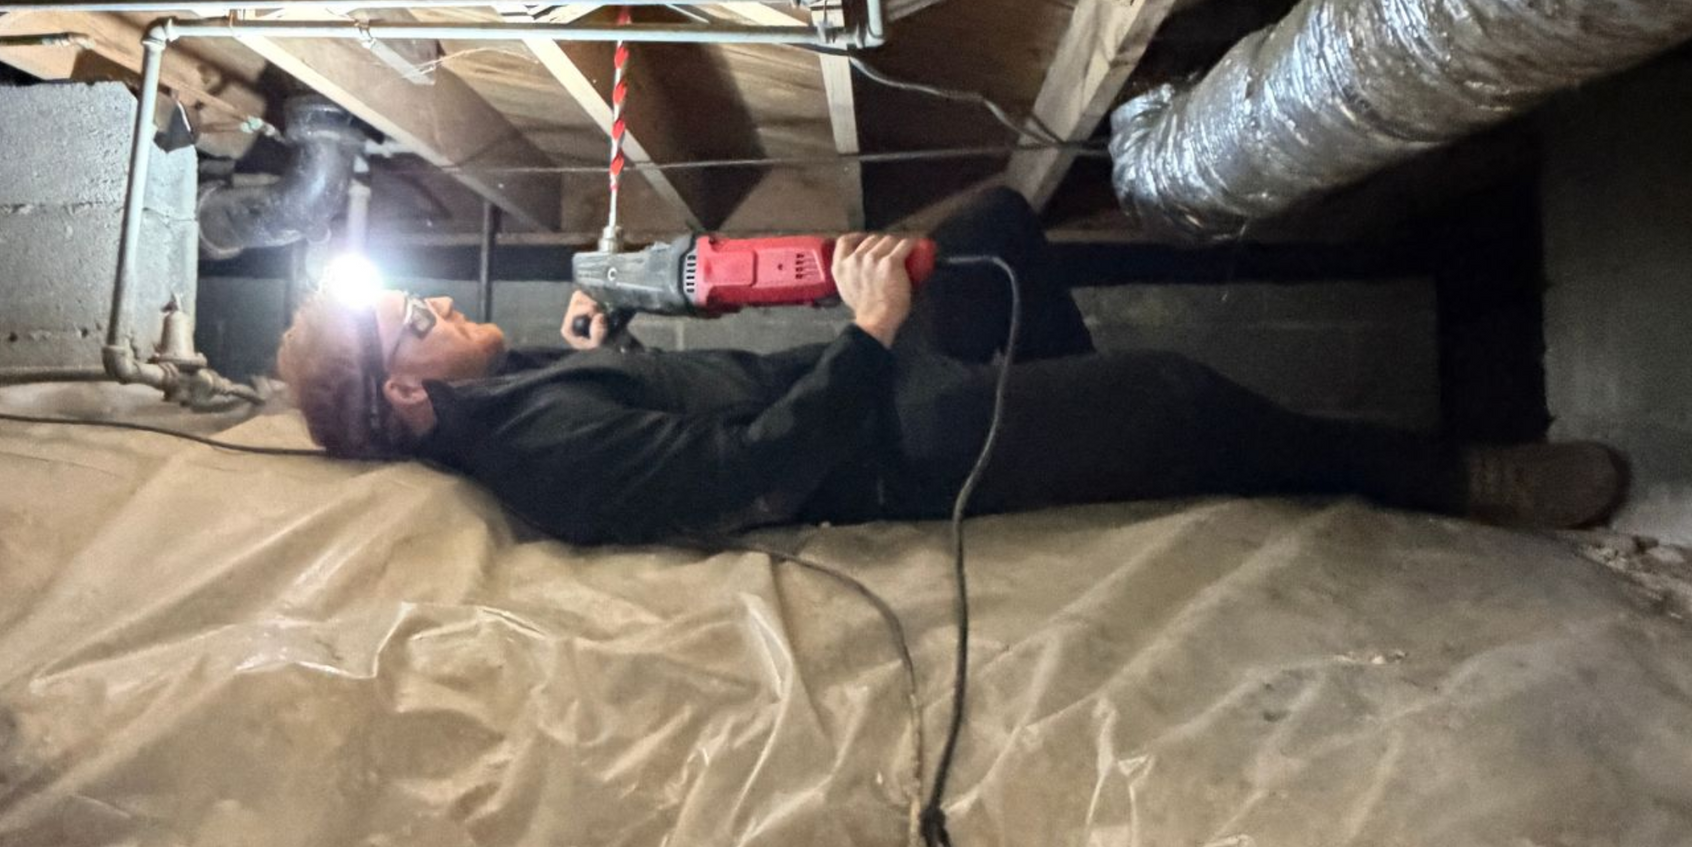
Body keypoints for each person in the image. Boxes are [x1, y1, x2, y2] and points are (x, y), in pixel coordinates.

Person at [274, 187, 1623, 547]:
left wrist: (613, 337)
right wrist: (870, 335)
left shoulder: (513, 393)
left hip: (872, 397)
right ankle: (1464, 479)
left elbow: (642, 415)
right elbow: (753, 475)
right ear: (406, 395)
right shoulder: (539, 451)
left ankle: (1098, 449)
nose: (437, 302)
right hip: (889, 457)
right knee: (1178, 392)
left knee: (987, 231)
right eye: (414, 319)